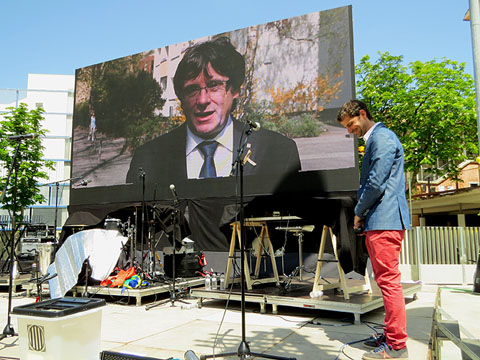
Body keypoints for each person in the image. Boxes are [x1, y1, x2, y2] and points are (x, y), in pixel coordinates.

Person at [126, 36, 301, 184]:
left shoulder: (278, 152)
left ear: (235, 91)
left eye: (214, 85)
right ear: (181, 97)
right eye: (192, 89)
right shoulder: (148, 160)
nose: (202, 100)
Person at [337, 100, 410, 360]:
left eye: (351, 124)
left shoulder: (382, 138)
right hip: (379, 220)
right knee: (384, 281)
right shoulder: (377, 139)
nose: (350, 130)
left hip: (385, 220)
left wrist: (358, 212)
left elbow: (376, 182)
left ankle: (397, 346)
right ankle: (391, 334)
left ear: (363, 114)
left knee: (389, 282)